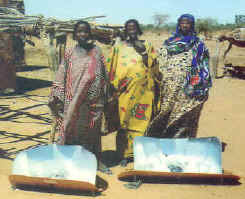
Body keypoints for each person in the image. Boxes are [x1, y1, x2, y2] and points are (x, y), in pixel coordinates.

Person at [48, 20, 112, 174]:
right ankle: (68, 160)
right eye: (79, 32)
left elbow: (104, 74)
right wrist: (56, 94)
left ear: (89, 34)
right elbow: (62, 74)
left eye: (85, 31)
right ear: (74, 35)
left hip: (94, 101)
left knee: (93, 129)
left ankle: (95, 160)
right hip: (73, 98)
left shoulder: (97, 51)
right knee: (71, 127)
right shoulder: (70, 53)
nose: (82, 34)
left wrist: (107, 93)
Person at [146, 14, 212, 138]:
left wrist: (199, 85)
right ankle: (164, 139)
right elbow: (160, 62)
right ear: (179, 24)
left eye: (188, 23)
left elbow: (204, 66)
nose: (185, 25)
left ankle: (183, 141)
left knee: (185, 115)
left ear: (192, 25)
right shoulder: (169, 43)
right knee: (166, 112)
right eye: (182, 22)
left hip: (189, 88)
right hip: (170, 86)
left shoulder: (199, 44)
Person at [105, 19, 158, 167]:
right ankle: (122, 154)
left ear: (138, 29)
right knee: (124, 122)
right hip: (124, 92)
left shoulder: (147, 46)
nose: (131, 30)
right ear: (125, 30)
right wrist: (110, 87)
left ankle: (137, 154)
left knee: (141, 123)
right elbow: (110, 67)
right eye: (128, 28)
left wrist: (143, 52)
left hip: (144, 92)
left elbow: (154, 68)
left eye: (134, 27)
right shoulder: (118, 47)